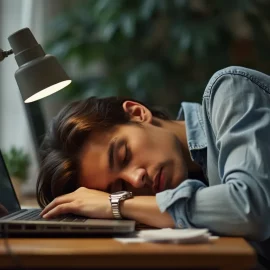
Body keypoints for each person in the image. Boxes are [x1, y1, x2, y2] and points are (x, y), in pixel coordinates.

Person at [37, 66, 270, 268]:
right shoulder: (192, 176)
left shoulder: (230, 91)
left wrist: (118, 203)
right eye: (119, 187)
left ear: (138, 114)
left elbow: (249, 207)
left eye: (124, 155)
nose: (136, 180)